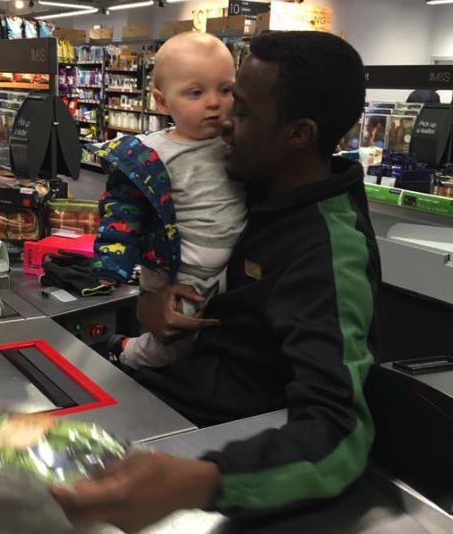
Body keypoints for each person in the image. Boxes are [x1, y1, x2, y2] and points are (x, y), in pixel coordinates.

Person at [51, 31, 380, 533]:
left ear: (298, 133)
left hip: (214, 439)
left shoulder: (329, 248)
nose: (222, 119)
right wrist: (152, 303)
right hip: (169, 391)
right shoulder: (258, 187)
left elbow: (340, 432)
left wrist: (197, 483)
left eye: (240, 109)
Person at [89, 32, 247, 370]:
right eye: (195, 92)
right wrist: (111, 264)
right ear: (162, 102)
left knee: (213, 327)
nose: (214, 102)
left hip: (222, 263)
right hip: (176, 266)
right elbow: (122, 212)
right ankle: (127, 352)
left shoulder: (238, 142)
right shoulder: (150, 155)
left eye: (225, 89)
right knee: (176, 337)